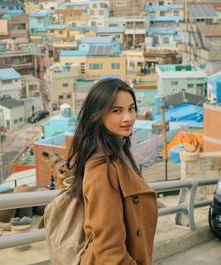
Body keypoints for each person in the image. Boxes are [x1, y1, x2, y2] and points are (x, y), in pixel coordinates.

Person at [67, 78, 158, 265]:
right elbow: (110, 250)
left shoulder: (117, 153)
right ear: (97, 115)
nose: (128, 117)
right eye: (117, 111)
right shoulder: (102, 168)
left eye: (131, 108)